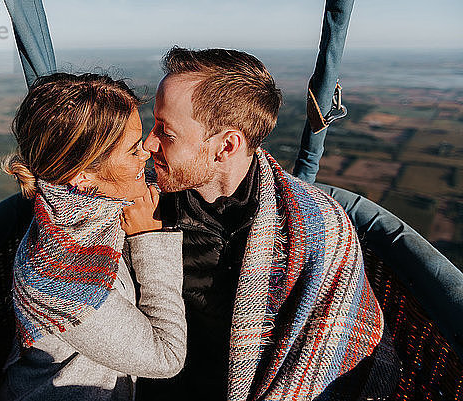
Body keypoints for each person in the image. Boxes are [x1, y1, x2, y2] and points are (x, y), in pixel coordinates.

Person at [136, 47, 400, 401]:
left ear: (226, 146)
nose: (148, 142)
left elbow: (330, 348)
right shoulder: (143, 206)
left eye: (166, 131)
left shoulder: (317, 227)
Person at [0, 72, 186, 401]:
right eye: (132, 150)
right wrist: (148, 240)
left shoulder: (82, 211)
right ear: (83, 175)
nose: (145, 153)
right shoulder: (62, 276)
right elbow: (166, 357)